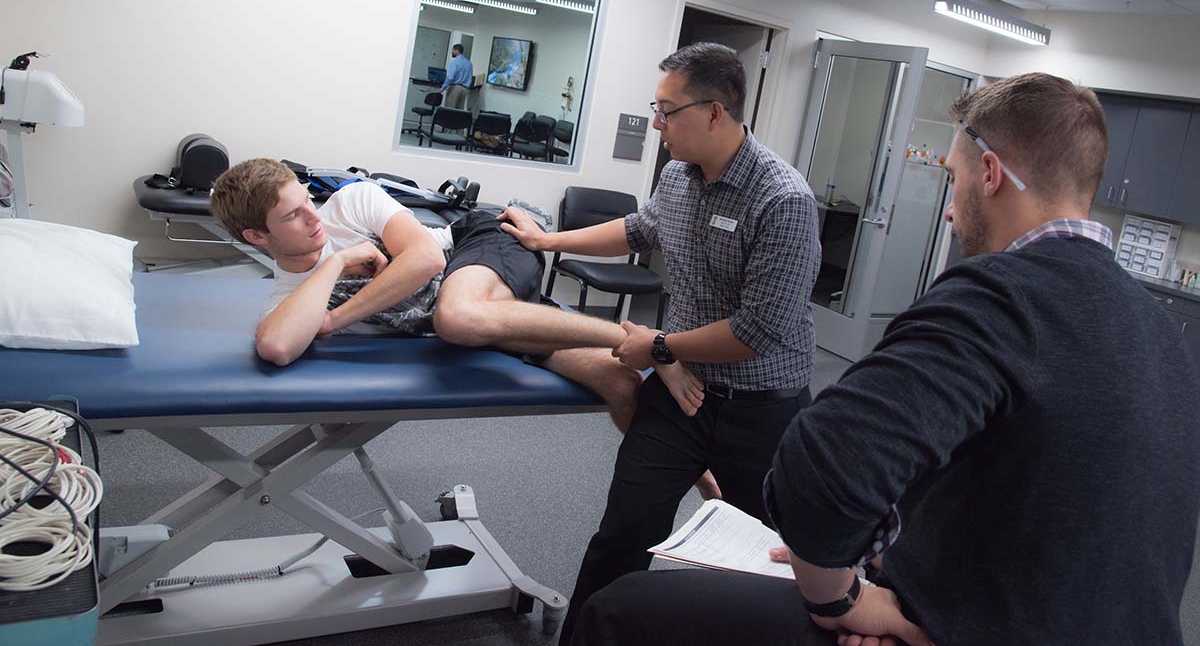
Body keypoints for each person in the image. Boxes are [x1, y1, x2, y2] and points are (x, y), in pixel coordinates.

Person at [570, 72, 1200, 646]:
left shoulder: (998, 297)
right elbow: (1048, 496)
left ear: (989, 174)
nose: (950, 210)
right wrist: (884, 556)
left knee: (623, 609)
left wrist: (843, 599)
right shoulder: (1160, 331)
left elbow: (818, 469)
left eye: (951, 181)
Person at [499, 42, 821, 645]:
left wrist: (661, 347)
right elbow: (637, 230)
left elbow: (757, 331)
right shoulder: (677, 176)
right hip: (678, 400)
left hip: (761, 410)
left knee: (756, 559)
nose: (656, 123)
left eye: (667, 110)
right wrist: (547, 243)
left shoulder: (784, 201)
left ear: (715, 112)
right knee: (621, 536)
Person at [207, 158, 708, 436]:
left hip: (481, 244)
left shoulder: (349, 203)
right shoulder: (288, 295)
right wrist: (337, 261)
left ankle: (657, 343)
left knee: (458, 316)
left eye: (306, 201)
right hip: (493, 318)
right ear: (256, 237)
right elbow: (276, 346)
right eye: (293, 216)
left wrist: (334, 320)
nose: (314, 217)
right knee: (621, 385)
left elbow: (426, 260)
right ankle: (718, 502)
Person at [442, 44, 473, 109]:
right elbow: (470, 78)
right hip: (464, 90)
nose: (452, 52)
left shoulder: (454, 62)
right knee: (458, 113)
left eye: (453, 50)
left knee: (449, 110)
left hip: (455, 88)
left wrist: (443, 88)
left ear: (457, 51)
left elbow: (450, 77)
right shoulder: (469, 63)